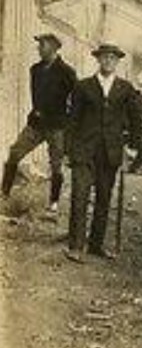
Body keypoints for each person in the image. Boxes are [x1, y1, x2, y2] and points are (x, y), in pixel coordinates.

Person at [65, 43, 142, 263]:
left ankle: (95, 245)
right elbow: (73, 120)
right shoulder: (83, 87)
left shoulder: (125, 89)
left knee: (103, 197)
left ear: (117, 62)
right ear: (98, 60)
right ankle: (75, 246)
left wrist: (133, 147)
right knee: (79, 196)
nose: (108, 61)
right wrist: (68, 150)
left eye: (112, 58)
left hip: (110, 151)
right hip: (84, 149)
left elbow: (136, 119)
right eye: (104, 57)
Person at [1, 33, 77, 216]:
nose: (39, 48)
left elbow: (76, 99)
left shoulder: (67, 72)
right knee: (15, 152)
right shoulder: (35, 69)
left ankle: (54, 203)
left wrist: (68, 120)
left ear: (53, 47)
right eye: (39, 45)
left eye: (42, 45)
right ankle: (3, 194)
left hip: (57, 125)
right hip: (36, 123)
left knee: (56, 165)